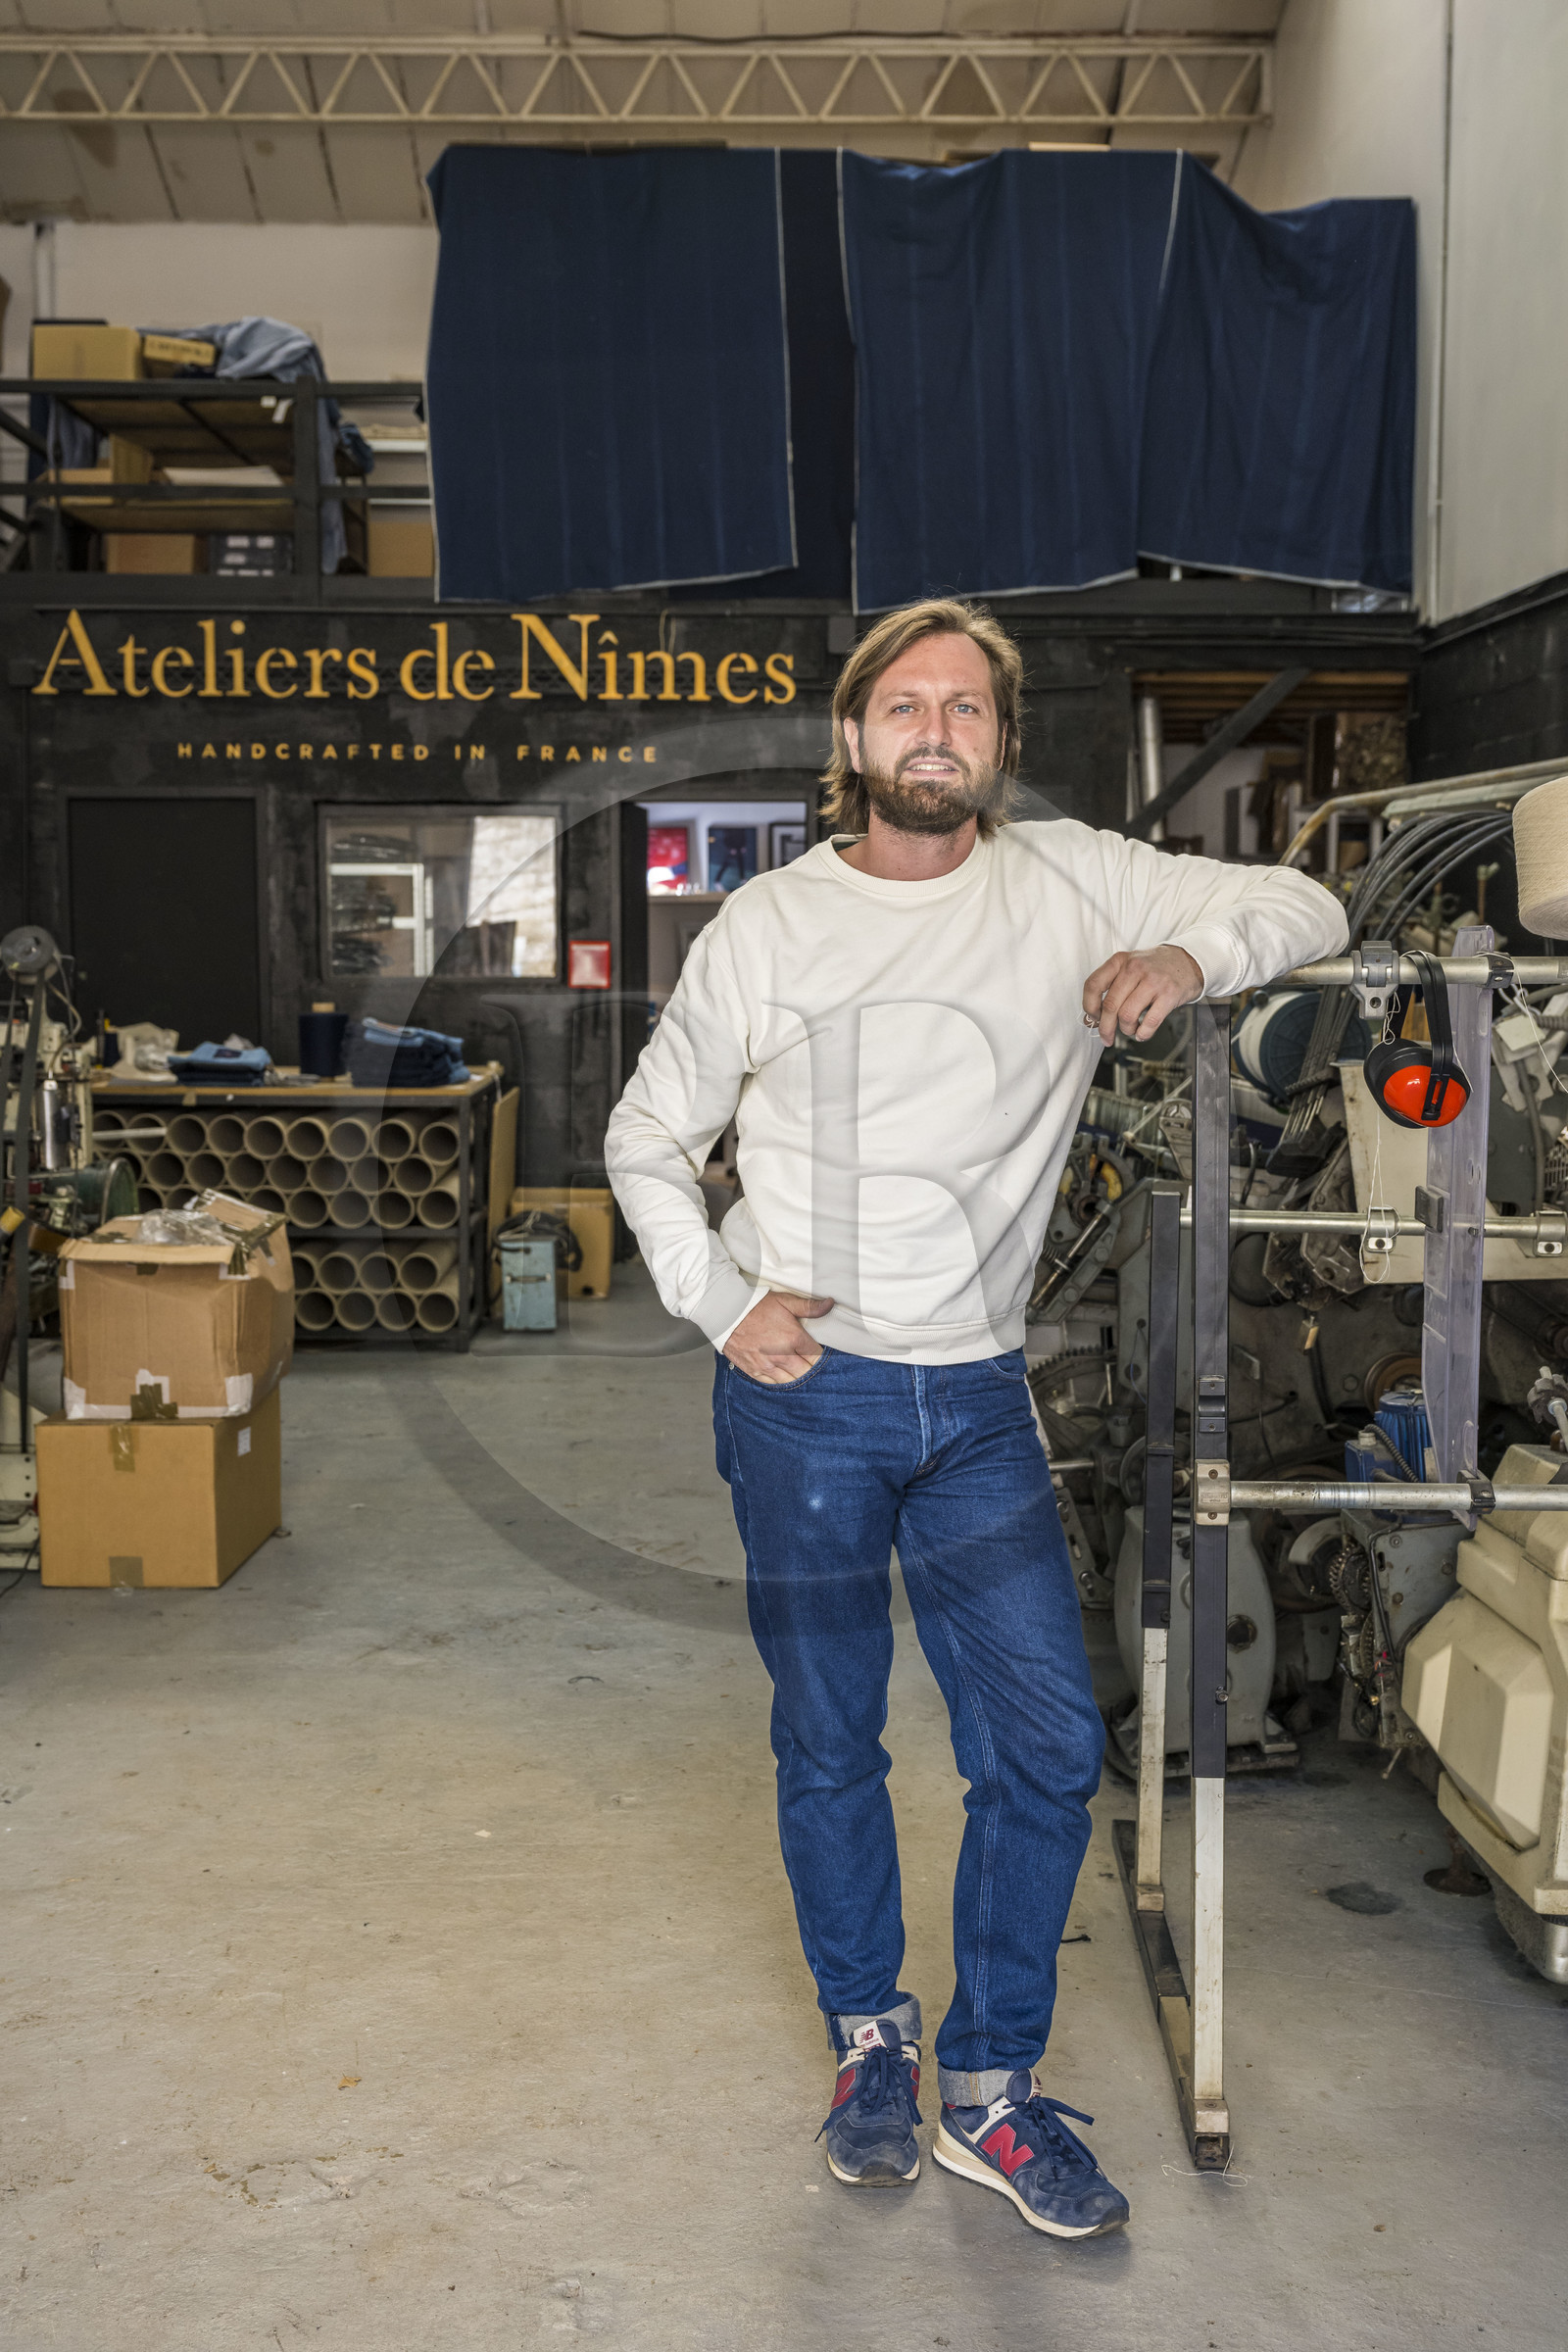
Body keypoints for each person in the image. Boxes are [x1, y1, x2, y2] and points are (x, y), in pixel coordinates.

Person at [605, 599, 1347, 2238]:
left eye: (968, 708)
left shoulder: (1076, 872)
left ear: (1003, 744)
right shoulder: (770, 926)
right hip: (805, 1399)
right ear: (853, 742)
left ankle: (988, 2088)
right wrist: (728, 1308)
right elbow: (648, 1140)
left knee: (1047, 1747)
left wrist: (1188, 955)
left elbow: (1308, 896)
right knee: (830, 1735)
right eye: (904, 706)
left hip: (980, 1401)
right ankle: (870, 2039)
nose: (935, 731)